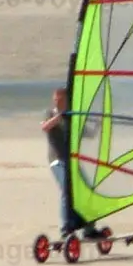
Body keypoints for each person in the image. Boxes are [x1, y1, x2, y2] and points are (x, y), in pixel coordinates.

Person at [41, 87, 104, 239]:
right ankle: (65, 229)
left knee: (87, 191)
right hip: (57, 161)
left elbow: (90, 134)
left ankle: (89, 228)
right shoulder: (50, 113)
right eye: (56, 99)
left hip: (72, 163)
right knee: (67, 190)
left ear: (67, 100)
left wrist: (99, 123)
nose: (57, 102)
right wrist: (60, 116)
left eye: (61, 99)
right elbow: (45, 126)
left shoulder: (72, 118)